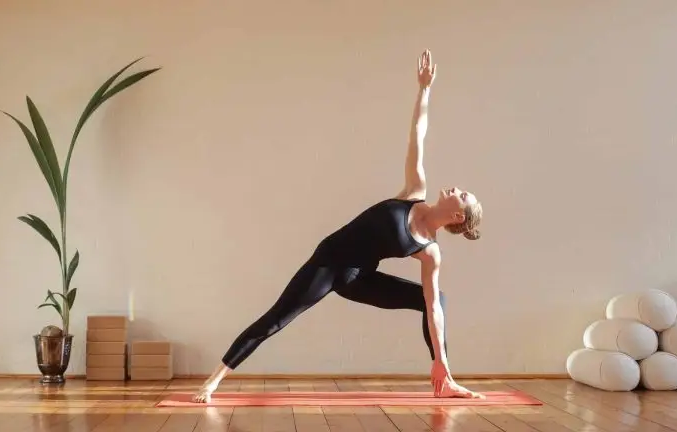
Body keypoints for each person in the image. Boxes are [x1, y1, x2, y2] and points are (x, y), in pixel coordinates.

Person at [192, 49, 484, 403]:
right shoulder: (414, 191)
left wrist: (440, 361)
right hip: (328, 264)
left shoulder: (429, 251)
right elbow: (417, 136)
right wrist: (424, 90)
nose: (457, 188)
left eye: (463, 195)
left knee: (436, 298)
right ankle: (213, 381)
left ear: (457, 217)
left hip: (359, 279)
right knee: (276, 319)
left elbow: (433, 309)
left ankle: (445, 378)